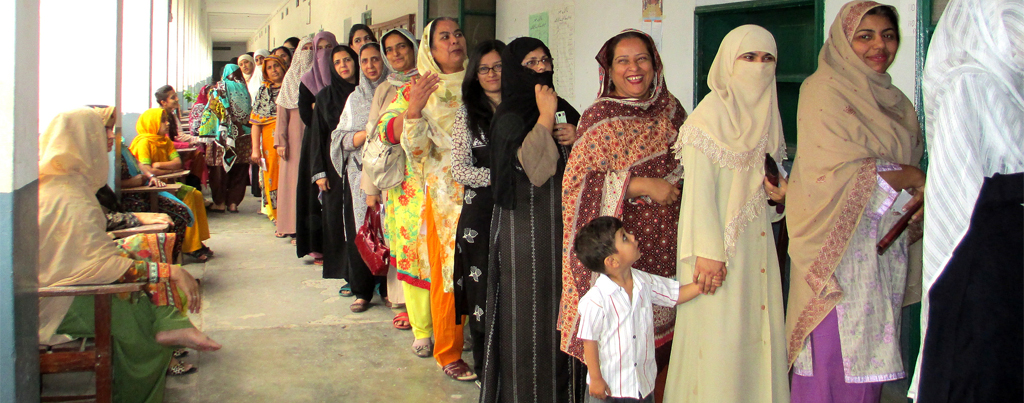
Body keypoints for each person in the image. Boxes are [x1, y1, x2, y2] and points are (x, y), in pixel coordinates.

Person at [785, 2, 926, 402]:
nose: (879, 46)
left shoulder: (896, 101)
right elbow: (831, 173)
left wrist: (909, 184)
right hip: (834, 252)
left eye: (888, 35)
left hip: (882, 251)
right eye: (864, 36)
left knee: (869, 367)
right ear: (844, 41)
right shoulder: (823, 89)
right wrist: (913, 178)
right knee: (831, 364)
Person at [38, 107, 221, 403]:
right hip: (53, 302)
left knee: (139, 267)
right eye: (104, 131)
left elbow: (90, 254)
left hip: (64, 285)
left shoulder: (69, 183)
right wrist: (172, 271)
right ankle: (160, 342)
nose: (112, 136)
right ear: (81, 139)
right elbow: (99, 266)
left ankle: (170, 324)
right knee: (138, 321)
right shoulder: (66, 196)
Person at [663, 25, 789, 403]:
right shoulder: (707, 118)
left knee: (757, 335)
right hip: (715, 254)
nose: (759, 67)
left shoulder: (769, 116)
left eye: (768, 59)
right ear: (727, 63)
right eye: (748, 57)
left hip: (758, 249)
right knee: (720, 341)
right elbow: (697, 196)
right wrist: (709, 254)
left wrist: (780, 196)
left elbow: (767, 185)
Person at [912, 0, 1023, 402]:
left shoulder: (1013, 83)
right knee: (979, 365)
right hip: (978, 252)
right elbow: (956, 194)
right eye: (1009, 18)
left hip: (1010, 247)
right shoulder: (968, 84)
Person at [559, 30, 687, 378]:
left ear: (654, 63)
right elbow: (576, 184)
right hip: (623, 252)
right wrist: (638, 185)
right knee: (622, 350)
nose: (634, 68)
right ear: (610, 71)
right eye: (623, 61)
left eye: (642, 58)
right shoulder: (599, 118)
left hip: (671, 245)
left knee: (665, 356)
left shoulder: (672, 111)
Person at [479, 36, 583, 400]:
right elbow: (534, 171)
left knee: (563, 314)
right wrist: (541, 118)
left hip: (562, 232)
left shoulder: (565, 108)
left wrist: (575, 137)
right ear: (514, 70)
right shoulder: (509, 117)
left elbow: (584, 165)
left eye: (545, 61)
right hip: (524, 234)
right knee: (528, 318)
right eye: (531, 63)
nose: (542, 69)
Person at [375, 17, 473, 381]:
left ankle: (482, 338)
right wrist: (414, 109)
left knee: (483, 267)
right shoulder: (419, 88)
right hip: (444, 196)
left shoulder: (482, 79)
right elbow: (413, 149)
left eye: (458, 34)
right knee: (448, 273)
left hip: (487, 189)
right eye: (443, 37)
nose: (453, 41)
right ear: (429, 49)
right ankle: (448, 349)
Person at [575, 216, 713, 403]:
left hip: (643, 386)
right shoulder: (596, 300)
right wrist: (596, 379)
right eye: (624, 237)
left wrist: (703, 284)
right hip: (610, 390)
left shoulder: (644, 282)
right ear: (612, 262)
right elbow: (589, 341)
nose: (633, 237)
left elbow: (675, 295)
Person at [450, 38, 503, 379]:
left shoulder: (523, 109)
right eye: (484, 68)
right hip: (480, 215)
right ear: (475, 74)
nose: (492, 74)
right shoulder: (467, 113)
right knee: (482, 294)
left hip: (518, 213)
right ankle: (487, 373)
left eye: (498, 66)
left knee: (513, 291)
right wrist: (500, 177)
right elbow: (460, 168)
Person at [363, 27, 420, 329]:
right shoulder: (385, 88)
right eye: (391, 49)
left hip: (426, 178)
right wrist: (371, 188)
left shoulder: (428, 81)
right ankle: (407, 304)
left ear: (414, 48)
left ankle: (426, 308)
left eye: (402, 47)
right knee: (402, 240)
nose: (397, 54)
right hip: (395, 178)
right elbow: (375, 140)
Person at [331, 42, 392, 313]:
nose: (370, 66)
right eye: (365, 60)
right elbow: (338, 138)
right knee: (363, 230)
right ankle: (362, 290)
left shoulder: (396, 92)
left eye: (375, 59)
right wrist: (365, 135)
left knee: (392, 231)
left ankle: (392, 290)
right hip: (359, 175)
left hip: (393, 173)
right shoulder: (354, 98)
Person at [303, 45, 362, 285]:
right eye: (337, 63)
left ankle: (367, 275)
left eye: (347, 60)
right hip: (334, 166)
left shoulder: (365, 90)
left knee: (364, 220)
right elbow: (317, 137)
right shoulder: (325, 97)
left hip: (362, 164)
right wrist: (319, 173)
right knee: (337, 220)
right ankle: (346, 273)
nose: (343, 66)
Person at [129, 108, 214, 263]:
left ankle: (197, 240)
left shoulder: (164, 141)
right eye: (163, 120)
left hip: (165, 185)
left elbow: (177, 163)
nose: (167, 123)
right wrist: (157, 169)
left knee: (196, 194)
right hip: (152, 190)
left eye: (167, 120)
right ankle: (190, 247)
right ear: (151, 123)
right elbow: (146, 169)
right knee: (187, 196)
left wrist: (158, 165)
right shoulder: (144, 142)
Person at [295, 31, 338, 265]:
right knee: (314, 197)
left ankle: (336, 246)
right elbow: (307, 114)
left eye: (328, 47)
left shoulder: (346, 78)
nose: (324, 53)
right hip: (315, 143)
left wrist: (320, 108)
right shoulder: (306, 80)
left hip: (342, 143)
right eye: (319, 48)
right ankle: (317, 247)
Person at [194, 64, 253, 213]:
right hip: (243, 135)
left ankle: (219, 202)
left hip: (221, 136)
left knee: (219, 168)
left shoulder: (219, 88)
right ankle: (233, 203)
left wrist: (206, 133)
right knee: (239, 168)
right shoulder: (244, 89)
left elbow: (210, 111)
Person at [274, 36, 314, 241]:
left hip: (314, 132)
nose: (308, 52)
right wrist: (281, 141)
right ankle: (290, 225)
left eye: (311, 48)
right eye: (304, 49)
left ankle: (308, 231)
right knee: (293, 182)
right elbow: (282, 114)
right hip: (294, 135)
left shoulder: (320, 75)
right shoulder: (290, 78)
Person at [250, 55, 289, 227]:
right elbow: (255, 123)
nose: (274, 70)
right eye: (269, 68)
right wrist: (255, 150)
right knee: (272, 176)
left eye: (277, 66)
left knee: (289, 176)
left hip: (290, 139)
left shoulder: (291, 87)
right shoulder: (262, 92)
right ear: (265, 72)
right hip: (268, 144)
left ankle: (290, 214)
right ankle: (277, 216)